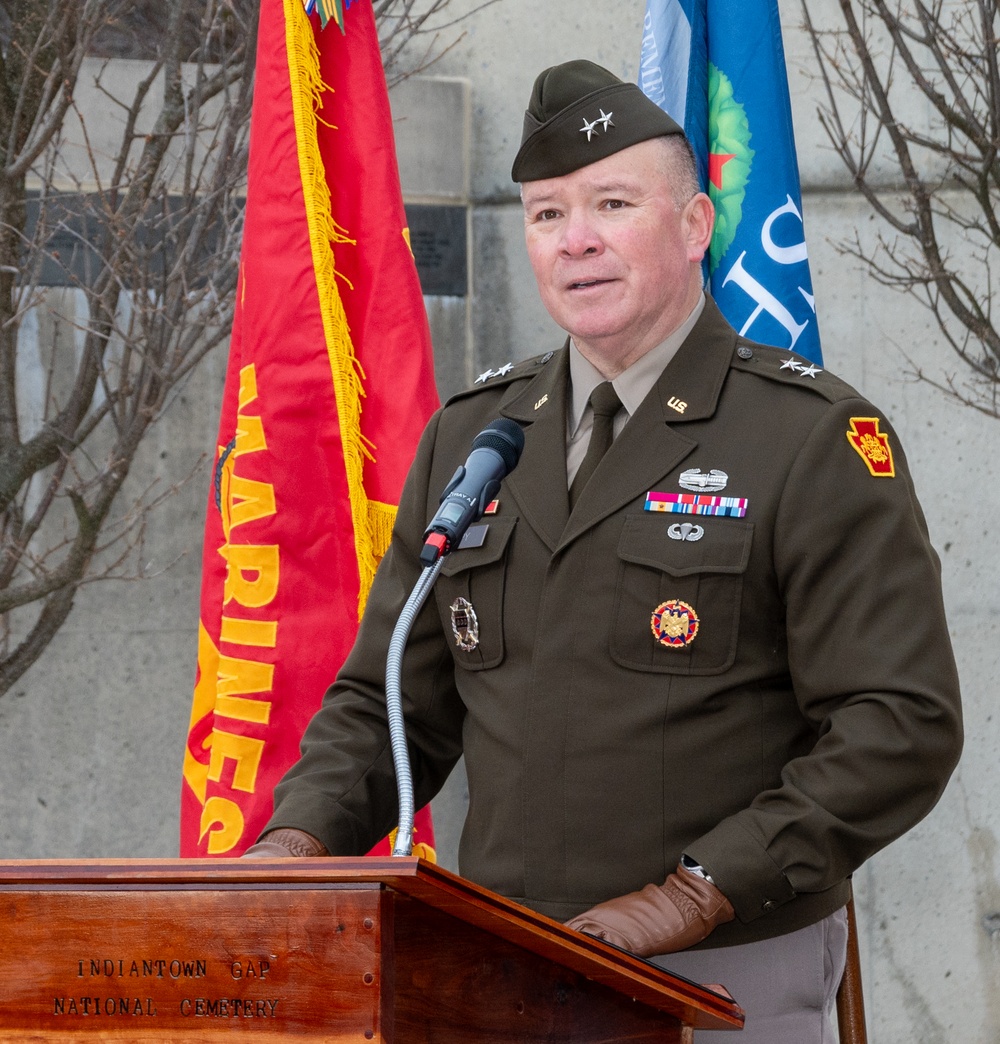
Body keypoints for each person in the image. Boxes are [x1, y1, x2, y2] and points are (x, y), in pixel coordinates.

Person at [246, 60, 963, 1042]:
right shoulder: (476, 436)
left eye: (611, 204)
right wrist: (298, 839)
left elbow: (897, 727)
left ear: (695, 225)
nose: (573, 240)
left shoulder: (806, 437)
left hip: (724, 974)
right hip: (501, 973)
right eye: (545, 215)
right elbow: (385, 703)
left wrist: (697, 893)